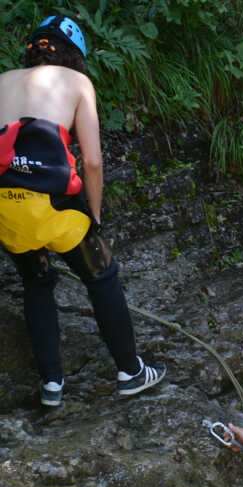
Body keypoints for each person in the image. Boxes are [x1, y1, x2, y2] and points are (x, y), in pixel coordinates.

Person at [0, 15, 166, 406]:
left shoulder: (4, 79)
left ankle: (52, 386)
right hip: (54, 207)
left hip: (6, 205)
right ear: (75, 56)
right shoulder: (77, 83)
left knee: (36, 284)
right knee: (102, 274)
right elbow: (91, 161)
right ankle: (131, 371)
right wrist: (94, 216)